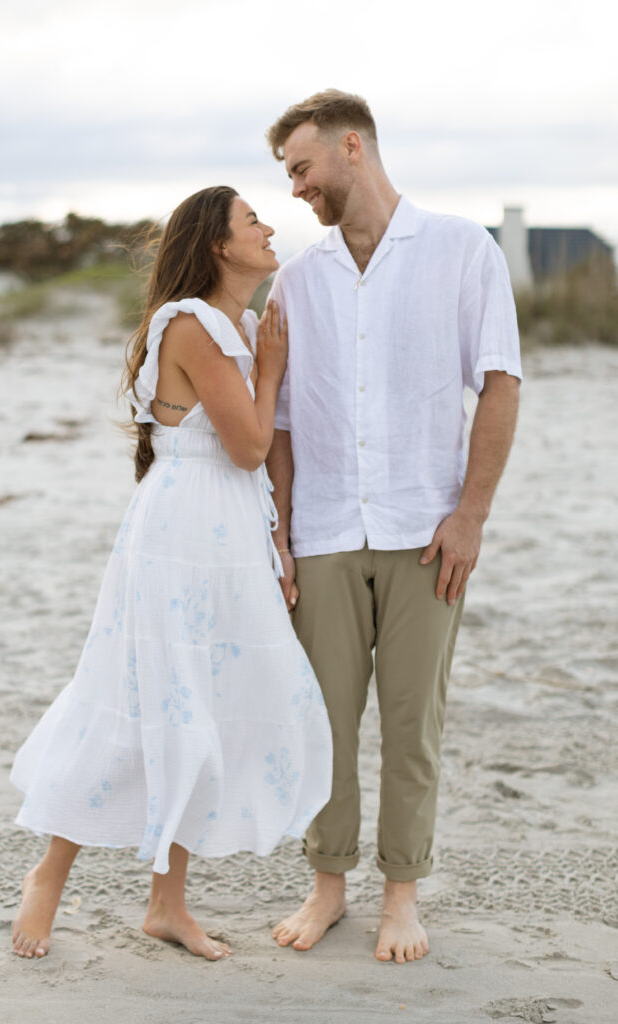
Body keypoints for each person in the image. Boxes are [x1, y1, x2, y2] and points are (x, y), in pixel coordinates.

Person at [10, 185, 333, 962]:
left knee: (206, 708)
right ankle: (48, 877)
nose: (267, 228)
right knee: (135, 701)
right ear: (219, 245)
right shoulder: (189, 324)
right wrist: (275, 365)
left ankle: (167, 905)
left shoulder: (240, 325)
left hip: (226, 534)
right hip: (181, 535)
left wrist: (277, 543)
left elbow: (254, 466)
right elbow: (250, 444)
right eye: (252, 220)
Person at [264, 91, 522, 964]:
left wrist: (470, 516)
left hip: (425, 530)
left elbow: (498, 381)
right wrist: (283, 532)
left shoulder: (461, 250)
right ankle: (328, 886)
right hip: (326, 531)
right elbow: (287, 425)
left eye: (300, 167)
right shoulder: (297, 281)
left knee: (412, 723)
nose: (294, 188)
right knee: (323, 724)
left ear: (350, 148)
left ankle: (401, 895)